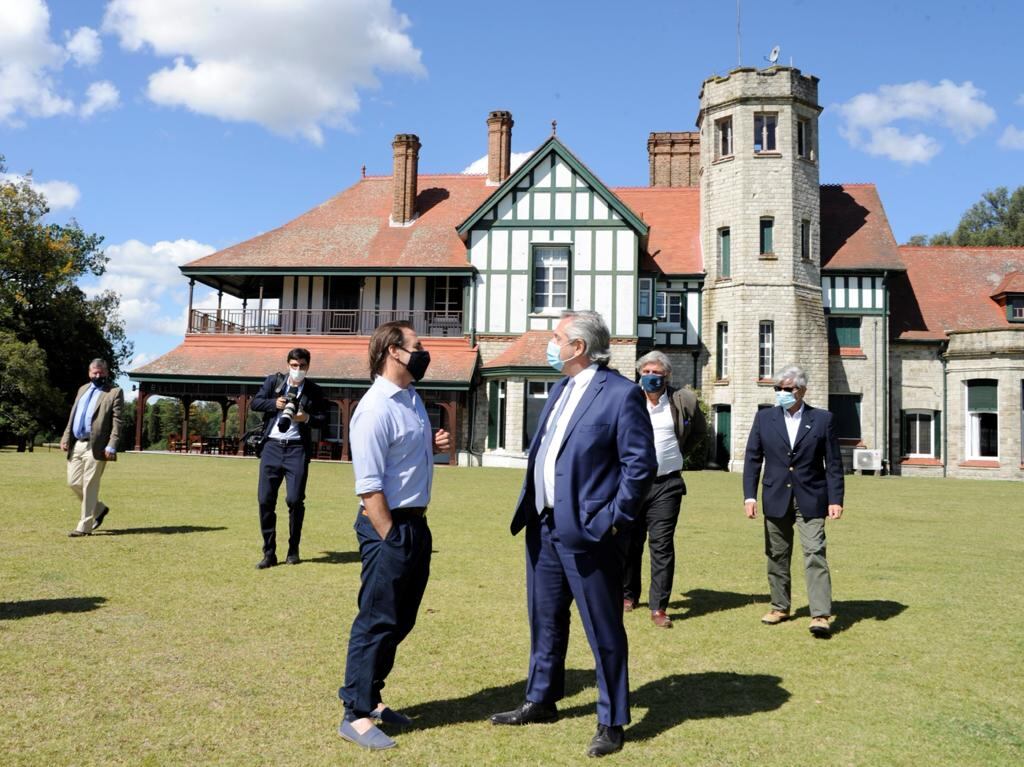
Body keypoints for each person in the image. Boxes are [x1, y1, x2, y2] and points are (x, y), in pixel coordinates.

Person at [490, 310, 657, 758]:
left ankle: (612, 719)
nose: (552, 344)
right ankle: (541, 699)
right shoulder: (562, 388)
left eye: (558, 337)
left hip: (590, 534)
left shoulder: (621, 395)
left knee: (603, 627)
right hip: (543, 527)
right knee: (544, 618)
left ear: (579, 347)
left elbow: (640, 467)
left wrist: (611, 520)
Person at [338, 321, 450, 751]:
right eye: (417, 346)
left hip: (415, 523)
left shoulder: (411, 399)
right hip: (389, 526)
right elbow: (369, 486)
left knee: (401, 619)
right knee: (377, 618)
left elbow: (400, 460)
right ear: (393, 352)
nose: (424, 353)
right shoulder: (375, 408)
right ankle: (355, 712)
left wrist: (431, 444)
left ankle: (373, 698)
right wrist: (389, 537)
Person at [742, 364, 844, 638]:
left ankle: (820, 614)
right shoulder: (764, 418)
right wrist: (749, 496)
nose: (782, 393)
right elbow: (753, 458)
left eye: (787, 389)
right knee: (776, 554)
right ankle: (779, 606)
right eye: (778, 389)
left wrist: (836, 499)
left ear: (802, 390)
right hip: (775, 496)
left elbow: (833, 464)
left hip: (811, 497)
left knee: (814, 553)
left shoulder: (823, 419)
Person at [623, 350, 706, 628]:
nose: (650, 377)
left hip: (667, 484)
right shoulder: (627, 400)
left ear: (667, 375)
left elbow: (698, 432)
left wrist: (678, 454)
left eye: (656, 373)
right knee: (630, 543)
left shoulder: (683, 400)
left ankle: (659, 607)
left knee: (661, 545)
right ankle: (628, 595)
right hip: (633, 484)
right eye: (645, 373)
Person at [250, 348, 327, 568]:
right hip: (272, 447)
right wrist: (274, 404)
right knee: (265, 500)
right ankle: (269, 553)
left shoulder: (314, 390)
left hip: (297, 449)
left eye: (302, 366)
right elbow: (256, 402)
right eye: (294, 365)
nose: (298, 370)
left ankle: (293, 550)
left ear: (308, 367)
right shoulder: (273, 383)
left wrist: (307, 417)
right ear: (288, 364)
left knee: (294, 500)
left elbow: (323, 419)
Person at [60, 358, 124, 536]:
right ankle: (99, 509)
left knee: (90, 485)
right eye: (95, 372)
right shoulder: (82, 389)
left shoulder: (114, 392)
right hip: (77, 444)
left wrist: (112, 444)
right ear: (89, 373)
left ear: (107, 372)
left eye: (101, 372)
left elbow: (117, 422)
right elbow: (73, 416)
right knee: (73, 483)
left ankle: (84, 527)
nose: (98, 375)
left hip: (97, 446)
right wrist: (66, 437)